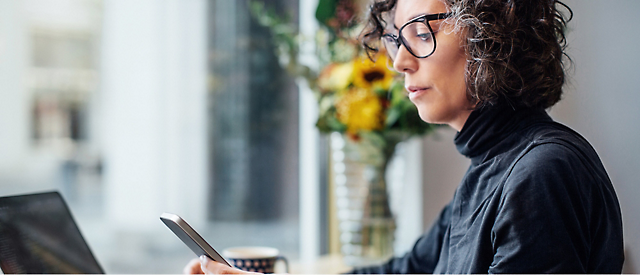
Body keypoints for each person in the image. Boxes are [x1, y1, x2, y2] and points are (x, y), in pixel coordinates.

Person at [184, 0, 625, 273]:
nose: (399, 63)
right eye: (397, 39)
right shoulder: (494, 169)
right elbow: (408, 269)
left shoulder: (541, 173)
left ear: (490, 34)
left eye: (420, 32)